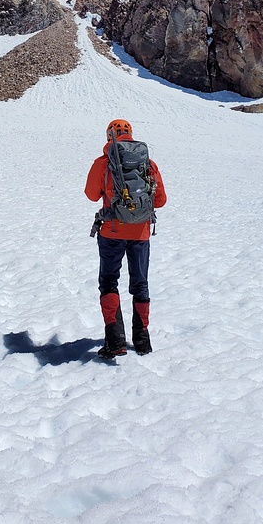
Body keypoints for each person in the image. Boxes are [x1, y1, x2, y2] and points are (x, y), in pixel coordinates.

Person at [85, 119, 167, 358]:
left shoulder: (104, 162)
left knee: (109, 282)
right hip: (140, 233)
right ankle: (142, 341)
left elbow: (91, 195)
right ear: (131, 134)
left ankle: (115, 340)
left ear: (109, 135)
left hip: (111, 231)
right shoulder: (147, 163)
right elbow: (160, 200)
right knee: (140, 283)